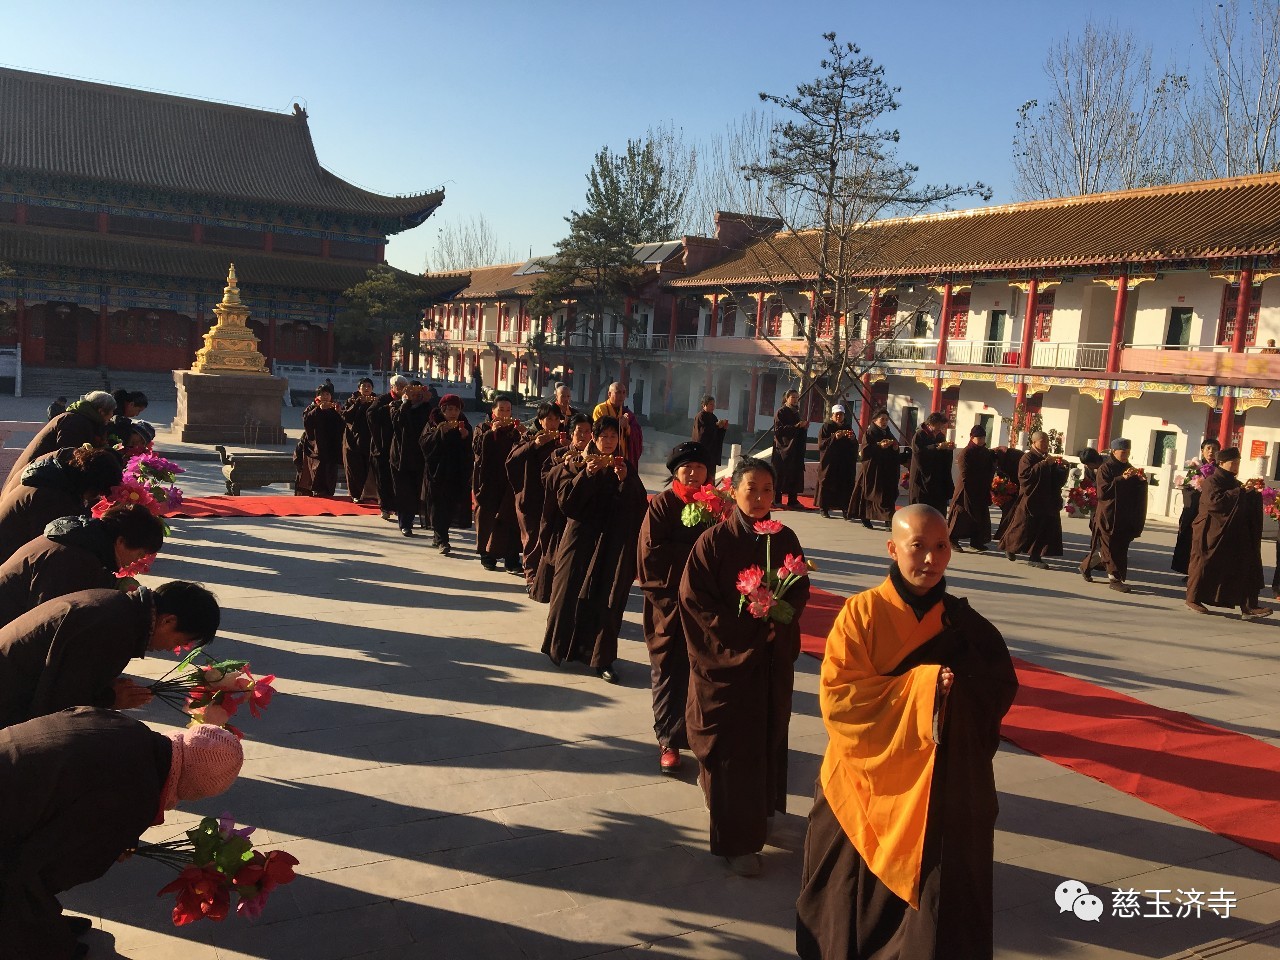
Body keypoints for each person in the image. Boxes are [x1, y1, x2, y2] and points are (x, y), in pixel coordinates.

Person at [795, 504, 1018, 960]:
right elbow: (841, 701)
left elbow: (997, 690)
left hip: (938, 785)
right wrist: (923, 687)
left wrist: (956, 697)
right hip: (864, 781)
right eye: (918, 546)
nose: (931, 559)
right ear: (892, 548)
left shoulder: (964, 625)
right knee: (848, 900)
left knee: (937, 911)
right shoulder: (862, 613)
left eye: (941, 547)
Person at [0, 707, 243, 960]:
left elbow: (92, 785)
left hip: (9, 765)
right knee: (24, 886)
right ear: (193, 787)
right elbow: (42, 869)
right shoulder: (136, 797)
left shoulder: (132, 729)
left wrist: (116, 839)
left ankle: (43, 925)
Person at [680, 457, 811, 876]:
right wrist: (747, 633)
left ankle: (760, 816)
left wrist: (776, 619)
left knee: (767, 737)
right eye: (751, 489)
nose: (759, 498)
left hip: (769, 663)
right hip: (726, 660)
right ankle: (736, 840)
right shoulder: (713, 542)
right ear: (732, 491)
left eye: (768, 490)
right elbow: (696, 603)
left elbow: (799, 589)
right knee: (733, 748)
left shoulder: (785, 536)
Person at [0, 581, 219, 728]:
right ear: (168, 621)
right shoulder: (114, 628)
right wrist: (110, 698)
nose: (173, 649)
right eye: (179, 641)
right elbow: (56, 708)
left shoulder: (121, 608)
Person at [542, 416, 647, 682]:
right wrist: (587, 474)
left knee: (607, 599)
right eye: (604, 437)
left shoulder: (624, 465)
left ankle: (603, 660)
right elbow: (567, 502)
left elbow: (637, 507)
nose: (609, 442)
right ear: (594, 438)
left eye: (613, 437)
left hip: (611, 543)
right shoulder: (578, 462)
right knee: (567, 593)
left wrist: (625, 481)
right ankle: (559, 648)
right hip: (579, 539)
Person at [636, 441, 716, 774]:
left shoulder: (714, 505)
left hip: (704, 605)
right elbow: (651, 553)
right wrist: (696, 559)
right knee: (669, 672)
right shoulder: (663, 504)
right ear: (676, 472)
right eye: (687, 468)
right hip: (668, 602)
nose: (694, 473)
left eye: (700, 467)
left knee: (701, 673)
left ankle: (698, 736)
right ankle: (668, 739)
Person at [0, 504, 165, 626]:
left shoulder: (81, 539)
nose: (136, 561)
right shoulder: (76, 560)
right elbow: (49, 622)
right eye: (139, 555)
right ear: (121, 541)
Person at [1186, 447, 1272, 619]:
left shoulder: (1234, 482)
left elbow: (1240, 499)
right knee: (1203, 563)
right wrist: (1240, 492)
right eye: (1233, 463)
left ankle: (1249, 606)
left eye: (1238, 463)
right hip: (1209, 531)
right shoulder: (1212, 481)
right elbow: (1215, 503)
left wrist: (1253, 492)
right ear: (1222, 463)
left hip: (1232, 532)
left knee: (1246, 562)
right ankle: (1193, 598)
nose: (1236, 466)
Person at [0, 448, 123, 563]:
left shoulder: (55, 481)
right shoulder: (52, 497)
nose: (96, 497)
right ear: (92, 483)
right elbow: (54, 547)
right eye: (98, 492)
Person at [529, 414, 592, 603]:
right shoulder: (559, 454)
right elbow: (545, 479)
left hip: (584, 516)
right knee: (554, 553)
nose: (583, 435)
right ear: (571, 433)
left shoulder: (596, 458)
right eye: (579, 431)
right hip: (560, 514)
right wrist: (565, 467)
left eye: (588, 431)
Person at [3, 391, 115, 496]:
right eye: (111, 413)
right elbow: (69, 458)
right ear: (101, 411)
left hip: (40, 479)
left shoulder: (81, 418)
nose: (111, 417)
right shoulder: (75, 421)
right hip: (34, 481)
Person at [505, 403, 565, 578]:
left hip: (553, 497)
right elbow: (512, 460)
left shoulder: (563, 439)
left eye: (556, 419)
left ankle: (545, 575)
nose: (553, 423)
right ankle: (531, 575)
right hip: (531, 495)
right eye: (549, 419)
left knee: (550, 538)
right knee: (532, 538)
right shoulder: (530, 437)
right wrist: (534, 445)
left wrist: (567, 447)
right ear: (540, 421)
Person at [1082, 439, 1148, 592]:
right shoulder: (1105, 468)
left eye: (1128, 452)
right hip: (1108, 514)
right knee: (1111, 548)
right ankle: (1114, 579)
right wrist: (1121, 479)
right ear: (1113, 451)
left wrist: (1141, 481)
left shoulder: (1129, 468)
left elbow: (1133, 491)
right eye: (1123, 452)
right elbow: (1103, 492)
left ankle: (1086, 566)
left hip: (1124, 516)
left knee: (1119, 547)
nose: (1126, 455)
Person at [999, 431, 1069, 569]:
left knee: (1044, 528)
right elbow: (1025, 476)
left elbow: (1056, 480)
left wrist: (1063, 468)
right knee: (1022, 527)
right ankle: (1011, 548)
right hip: (1030, 499)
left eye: (1047, 442)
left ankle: (1035, 556)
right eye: (1042, 442)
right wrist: (1043, 464)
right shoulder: (1028, 458)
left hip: (1047, 500)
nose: (1045, 445)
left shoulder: (1047, 458)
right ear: (1034, 443)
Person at [473, 395, 524, 572]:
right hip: (489, 480)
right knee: (487, 518)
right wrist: (491, 432)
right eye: (500, 410)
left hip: (509, 481)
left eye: (508, 410)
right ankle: (488, 556)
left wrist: (524, 435)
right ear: (493, 411)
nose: (504, 414)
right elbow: (477, 449)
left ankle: (511, 558)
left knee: (510, 520)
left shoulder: (514, 430)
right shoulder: (483, 428)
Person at [420, 394, 473, 557]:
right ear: (443, 410)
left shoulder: (464, 425)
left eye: (456, 409)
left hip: (456, 473)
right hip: (437, 472)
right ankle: (442, 539)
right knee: (438, 506)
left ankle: (440, 535)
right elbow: (423, 444)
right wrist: (439, 433)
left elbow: (470, 451)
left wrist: (465, 437)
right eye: (450, 409)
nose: (453, 413)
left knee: (450, 507)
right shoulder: (434, 423)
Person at [389, 380, 434, 537]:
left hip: (419, 456)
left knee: (416, 491)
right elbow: (399, 421)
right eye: (412, 391)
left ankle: (416, 519)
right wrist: (406, 401)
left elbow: (433, 423)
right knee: (403, 491)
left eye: (418, 392)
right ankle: (405, 523)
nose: (415, 395)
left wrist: (429, 401)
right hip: (400, 456)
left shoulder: (426, 409)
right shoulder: (396, 406)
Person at [1172, 439, 1220, 576]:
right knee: (1190, 540)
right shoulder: (1195, 468)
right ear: (1202, 450)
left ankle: (1204, 571)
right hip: (1194, 510)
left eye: (1214, 449)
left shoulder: (1220, 469)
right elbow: (1187, 489)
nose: (1211, 451)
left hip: (1210, 512)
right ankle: (1190, 571)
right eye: (1208, 448)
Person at [947, 425, 998, 552]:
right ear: (972, 437)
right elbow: (965, 472)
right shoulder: (966, 452)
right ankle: (952, 539)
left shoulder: (986, 452)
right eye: (978, 437)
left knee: (980, 516)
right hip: (966, 488)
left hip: (981, 489)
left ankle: (976, 541)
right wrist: (972, 485)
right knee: (961, 514)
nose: (981, 440)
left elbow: (991, 468)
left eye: (983, 437)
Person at [847, 409, 900, 530]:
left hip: (886, 470)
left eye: (886, 419)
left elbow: (894, 450)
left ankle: (888, 520)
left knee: (887, 495)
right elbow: (865, 451)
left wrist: (895, 447)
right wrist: (878, 446)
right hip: (872, 469)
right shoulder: (870, 432)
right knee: (870, 494)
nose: (885, 422)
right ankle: (866, 517)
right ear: (875, 420)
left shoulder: (888, 433)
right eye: (882, 419)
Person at [368, 375, 408, 522]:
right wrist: (388, 408)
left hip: (398, 447)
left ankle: (397, 506)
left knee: (397, 480)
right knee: (383, 479)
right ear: (392, 387)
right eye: (400, 386)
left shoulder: (407, 400)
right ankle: (385, 507)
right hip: (382, 447)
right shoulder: (383, 400)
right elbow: (370, 415)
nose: (403, 388)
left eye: (405, 385)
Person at [298, 384, 344, 498]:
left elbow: (342, 426)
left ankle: (329, 490)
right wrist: (318, 409)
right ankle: (317, 489)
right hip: (316, 445)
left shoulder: (333, 408)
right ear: (317, 396)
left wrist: (339, 413)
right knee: (318, 467)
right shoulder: (312, 407)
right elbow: (307, 422)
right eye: (322, 394)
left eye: (327, 394)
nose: (325, 396)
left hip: (331, 444)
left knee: (331, 468)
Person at [815, 405, 857, 519]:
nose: (839, 416)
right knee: (826, 484)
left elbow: (854, 445)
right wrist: (834, 437)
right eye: (836, 414)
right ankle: (824, 508)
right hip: (830, 462)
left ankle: (845, 509)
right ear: (832, 415)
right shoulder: (826, 427)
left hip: (843, 463)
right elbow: (821, 444)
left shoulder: (848, 427)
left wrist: (852, 438)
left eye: (841, 414)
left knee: (844, 486)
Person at [772, 389, 811, 510]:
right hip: (783, 448)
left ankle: (792, 500)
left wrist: (803, 427)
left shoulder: (796, 413)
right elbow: (779, 430)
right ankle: (777, 500)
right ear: (787, 398)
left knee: (795, 474)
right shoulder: (781, 412)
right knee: (781, 474)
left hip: (795, 448)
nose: (795, 399)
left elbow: (798, 430)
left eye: (796, 397)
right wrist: (796, 426)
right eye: (793, 397)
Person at [341, 377, 378, 503]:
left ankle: (368, 494)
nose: (366, 388)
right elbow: (346, 417)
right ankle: (355, 494)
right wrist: (358, 404)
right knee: (354, 469)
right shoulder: (351, 401)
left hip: (369, 441)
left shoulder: (376, 401)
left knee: (368, 469)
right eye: (364, 386)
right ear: (359, 388)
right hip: (352, 441)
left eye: (369, 386)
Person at [908, 413, 955, 512]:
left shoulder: (940, 436)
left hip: (936, 477)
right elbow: (918, 453)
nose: (941, 428)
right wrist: (936, 447)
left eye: (942, 425)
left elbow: (943, 457)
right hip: (922, 476)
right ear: (930, 424)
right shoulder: (920, 435)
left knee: (936, 508)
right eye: (939, 425)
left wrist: (948, 449)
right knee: (920, 509)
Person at [592, 382, 632, 459]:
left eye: (624, 393)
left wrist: (626, 426)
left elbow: (627, 433)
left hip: (620, 451)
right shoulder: (600, 409)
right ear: (609, 394)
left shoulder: (624, 411)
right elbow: (600, 430)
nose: (622, 396)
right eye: (618, 392)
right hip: (604, 450)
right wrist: (619, 424)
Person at [692, 395, 728, 476]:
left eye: (714, 404)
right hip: (702, 451)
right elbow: (702, 433)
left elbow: (716, 434)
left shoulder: (713, 417)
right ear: (704, 405)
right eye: (711, 404)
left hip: (712, 452)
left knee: (711, 475)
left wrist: (722, 428)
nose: (713, 407)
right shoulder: (701, 416)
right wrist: (716, 425)